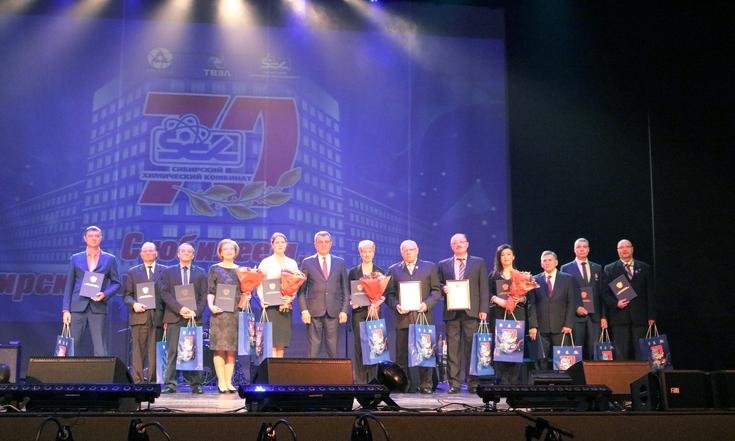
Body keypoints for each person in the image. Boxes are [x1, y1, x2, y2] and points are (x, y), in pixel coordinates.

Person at [384, 240, 441, 394]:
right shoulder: (393, 270)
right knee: (402, 354)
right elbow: (388, 294)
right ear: (401, 252)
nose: (408, 252)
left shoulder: (429, 267)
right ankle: (404, 384)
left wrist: (426, 304)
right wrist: (396, 305)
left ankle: (426, 384)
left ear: (417, 250)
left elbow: (436, 291)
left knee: (425, 352)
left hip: (423, 317)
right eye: (405, 250)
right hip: (403, 318)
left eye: (411, 249)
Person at [437, 233, 489, 393]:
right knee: (452, 349)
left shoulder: (478, 262)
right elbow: (437, 284)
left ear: (467, 244)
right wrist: (443, 288)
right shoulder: (443, 264)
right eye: (455, 243)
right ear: (451, 246)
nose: (458, 245)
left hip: (472, 312)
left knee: (471, 348)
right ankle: (454, 383)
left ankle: (473, 382)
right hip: (451, 312)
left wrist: (484, 309)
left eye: (461, 242)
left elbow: (484, 287)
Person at [62, 225, 120, 356]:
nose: (94, 238)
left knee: (100, 347)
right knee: (72, 346)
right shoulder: (75, 258)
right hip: (77, 306)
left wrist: (104, 294)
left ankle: (101, 370)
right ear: (85, 238)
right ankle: (69, 369)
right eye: (91, 236)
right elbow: (69, 285)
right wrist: (66, 310)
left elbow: (116, 283)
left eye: (97, 236)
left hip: (98, 307)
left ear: (101, 238)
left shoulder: (110, 259)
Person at [160, 243, 207, 394]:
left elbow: (204, 295)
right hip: (174, 316)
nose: (186, 253)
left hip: (193, 318)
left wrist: (195, 311)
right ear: (178, 254)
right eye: (183, 251)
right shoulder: (168, 272)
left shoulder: (201, 273)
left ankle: (196, 384)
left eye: (189, 251)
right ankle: (170, 384)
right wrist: (180, 309)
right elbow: (164, 293)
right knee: (172, 351)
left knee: (194, 352)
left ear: (193, 255)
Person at [298, 231, 350, 358]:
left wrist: (344, 310)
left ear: (331, 243)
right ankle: (312, 372)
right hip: (313, 313)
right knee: (313, 351)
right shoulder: (307, 262)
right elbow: (301, 290)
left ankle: (333, 372)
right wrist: (304, 310)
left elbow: (345, 289)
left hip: (334, 312)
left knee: (333, 351)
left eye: (326, 242)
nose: (323, 244)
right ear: (315, 244)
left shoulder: (340, 262)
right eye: (320, 242)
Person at [488, 244, 536, 384]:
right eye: (502, 255)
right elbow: (487, 293)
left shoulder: (521, 276)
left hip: (517, 315)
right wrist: (499, 300)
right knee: (501, 348)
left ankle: (513, 382)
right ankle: (502, 381)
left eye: (508, 254)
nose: (506, 257)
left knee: (515, 348)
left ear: (513, 257)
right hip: (499, 314)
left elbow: (529, 299)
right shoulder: (493, 275)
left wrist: (519, 299)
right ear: (499, 258)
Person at [602, 239, 656, 360]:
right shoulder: (609, 268)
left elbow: (650, 293)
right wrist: (616, 303)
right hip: (619, 317)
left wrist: (651, 316)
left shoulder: (644, 267)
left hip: (640, 318)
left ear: (632, 249)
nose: (624, 249)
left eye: (627, 246)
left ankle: (642, 374)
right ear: (617, 251)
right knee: (621, 354)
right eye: (621, 247)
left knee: (642, 354)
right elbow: (604, 293)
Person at [123, 241, 167, 383]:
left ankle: (152, 382)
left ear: (156, 253)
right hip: (139, 316)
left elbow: (169, 296)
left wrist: (167, 318)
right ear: (141, 254)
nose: (148, 253)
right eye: (145, 251)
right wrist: (134, 304)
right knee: (137, 351)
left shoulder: (165, 271)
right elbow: (127, 295)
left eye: (151, 250)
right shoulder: (133, 272)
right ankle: (138, 381)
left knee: (155, 351)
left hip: (158, 317)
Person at [529, 250, 577, 370]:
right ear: (541, 264)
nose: (547, 263)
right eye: (544, 261)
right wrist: (533, 326)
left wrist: (568, 324)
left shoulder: (567, 279)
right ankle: (542, 381)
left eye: (550, 260)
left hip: (561, 327)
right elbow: (531, 304)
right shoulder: (534, 280)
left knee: (563, 362)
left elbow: (571, 303)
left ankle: (563, 381)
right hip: (541, 328)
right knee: (541, 361)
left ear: (556, 262)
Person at [560, 238, 607, 360]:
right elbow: (564, 294)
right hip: (575, 317)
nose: (582, 249)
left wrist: (603, 316)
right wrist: (576, 308)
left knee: (594, 351)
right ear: (574, 249)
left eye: (584, 247)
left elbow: (602, 294)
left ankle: (595, 373)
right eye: (579, 247)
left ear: (588, 249)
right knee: (577, 350)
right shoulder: (566, 268)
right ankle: (578, 373)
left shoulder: (597, 268)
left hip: (595, 317)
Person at [348, 240, 386, 384]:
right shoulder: (353, 272)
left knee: (376, 346)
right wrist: (352, 301)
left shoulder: (380, 272)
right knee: (359, 346)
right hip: (358, 313)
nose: (367, 254)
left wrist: (376, 303)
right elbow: (349, 291)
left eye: (370, 251)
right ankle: (361, 381)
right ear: (360, 253)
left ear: (374, 252)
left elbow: (385, 293)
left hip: (375, 313)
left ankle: (373, 380)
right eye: (364, 251)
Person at [257, 232, 300, 358]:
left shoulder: (292, 263)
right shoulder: (266, 262)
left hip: (285, 305)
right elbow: (258, 282)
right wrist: (262, 298)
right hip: (270, 305)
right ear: (272, 245)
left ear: (286, 244)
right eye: (277, 242)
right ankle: (270, 368)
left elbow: (296, 283)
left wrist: (291, 297)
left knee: (281, 342)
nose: (280, 245)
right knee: (270, 342)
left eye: (282, 242)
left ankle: (278, 368)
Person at [207, 239, 242, 393]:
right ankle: (221, 382)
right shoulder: (214, 269)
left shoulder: (241, 270)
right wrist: (211, 306)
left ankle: (229, 382)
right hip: (219, 313)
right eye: (225, 249)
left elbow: (244, 291)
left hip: (235, 313)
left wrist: (247, 296)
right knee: (219, 348)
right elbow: (210, 290)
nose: (228, 251)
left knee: (231, 350)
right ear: (220, 252)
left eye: (231, 249)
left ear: (235, 252)